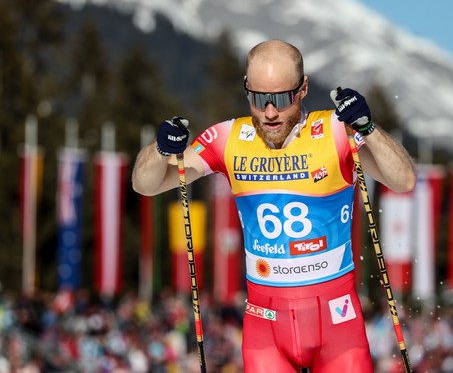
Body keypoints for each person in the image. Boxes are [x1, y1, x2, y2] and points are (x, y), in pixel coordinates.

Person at [132, 39, 416, 373]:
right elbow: (145, 184)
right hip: (265, 327)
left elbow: (404, 180)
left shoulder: (334, 131)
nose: (269, 112)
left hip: (338, 324)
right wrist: (160, 148)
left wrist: (368, 128)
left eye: (281, 99)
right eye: (258, 98)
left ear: (303, 88)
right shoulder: (229, 138)